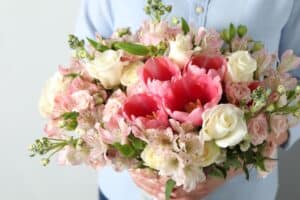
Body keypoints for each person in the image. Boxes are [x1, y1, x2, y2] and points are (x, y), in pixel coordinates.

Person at [75, 0, 300, 199]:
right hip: (126, 192)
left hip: (239, 191)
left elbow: (294, 83)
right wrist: (130, 160)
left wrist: (239, 161)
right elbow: (83, 72)